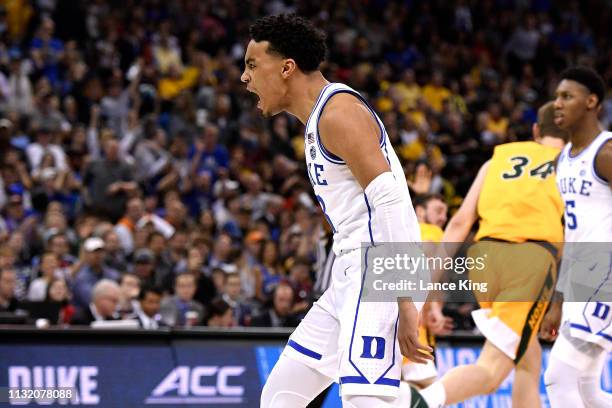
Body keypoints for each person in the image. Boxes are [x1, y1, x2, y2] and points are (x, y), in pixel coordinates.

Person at [241, 14, 427, 407]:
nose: (245, 77)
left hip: (380, 272)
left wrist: (405, 300)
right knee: (281, 396)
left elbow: (390, 200)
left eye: (252, 65)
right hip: (351, 272)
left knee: (366, 400)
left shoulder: (337, 112)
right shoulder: (316, 121)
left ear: (287, 68)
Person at [412, 101, 568, 407]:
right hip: (530, 260)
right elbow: (576, 237)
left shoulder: (498, 159)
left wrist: (426, 293)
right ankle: (415, 401)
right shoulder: (571, 165)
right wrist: (560, 300)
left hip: (484, 260)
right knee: (492, 370)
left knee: (527, 358)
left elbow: (458, 224)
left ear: (536, 130)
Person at [541, 66, 612, 408]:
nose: (558, 104)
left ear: (591, 102)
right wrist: (558, 301)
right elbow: (571, 236)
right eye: (556, 96)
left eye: (567, 96)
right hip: (581, 280)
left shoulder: (606, 153)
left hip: (605, 277)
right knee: (586, 387)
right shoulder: (563, 163)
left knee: (559, 376)